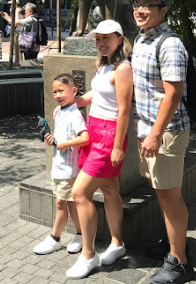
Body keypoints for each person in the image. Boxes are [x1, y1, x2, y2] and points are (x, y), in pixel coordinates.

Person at [129, 0, 194, 284]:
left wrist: (155, 134)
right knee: (161, 190)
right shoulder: (142, 39)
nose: (140, 10)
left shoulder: (169, 44)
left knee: (170, 195)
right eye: (137, 4)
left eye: (148, 5)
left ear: (163, 10)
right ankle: (173, 244)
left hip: (166, 131)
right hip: (147, 129)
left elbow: (173, 94)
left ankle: (179, 262)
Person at [67, 20, 133, 279]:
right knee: (110, 190)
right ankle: (117, 243)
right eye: (97, 39)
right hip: (94, 129)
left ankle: (88, 254)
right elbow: (97, 95)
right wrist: (74, 103)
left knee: (79, 192)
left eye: (106, 38)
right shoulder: (104, 65)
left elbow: (124, 110)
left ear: (119, 38)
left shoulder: (123, 68)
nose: (101, 43)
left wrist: (117, 146)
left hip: (108, 134)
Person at [33, 74, 89, 256]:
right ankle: (80, 235)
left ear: (74, 91)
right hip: (59, 167)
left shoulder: (75, 115)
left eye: (61, 91)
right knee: (70, 204)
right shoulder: (58, 112)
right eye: (55, 92)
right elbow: (60, 138)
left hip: (69, 170)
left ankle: (55, 238)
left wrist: (66, 144)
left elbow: (85, 138)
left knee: (60, 204)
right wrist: (52, 140)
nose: (57, 95)